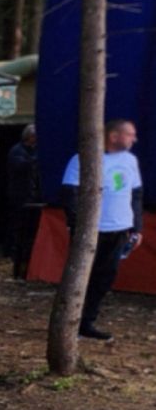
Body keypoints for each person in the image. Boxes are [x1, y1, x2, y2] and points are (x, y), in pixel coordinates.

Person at [63, 118, 144, 340]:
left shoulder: (130, 160)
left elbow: (136, 194)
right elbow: (69, 192)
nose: (134, 139)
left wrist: (137, 227)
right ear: (114, 136)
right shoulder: (83, 159)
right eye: (130, 134)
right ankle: (69, 321)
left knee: (104, 278)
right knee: (81, 277)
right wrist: (77, 223)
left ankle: (87, 322)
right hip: (91, 230)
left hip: (119, 229)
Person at [5, 125, 41, 280]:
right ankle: (11, 252)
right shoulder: (17, 151)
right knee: (16, 226)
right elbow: (20, 166)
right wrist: (36, 159)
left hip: (30, 194)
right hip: (19, 195)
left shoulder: (32, 150)